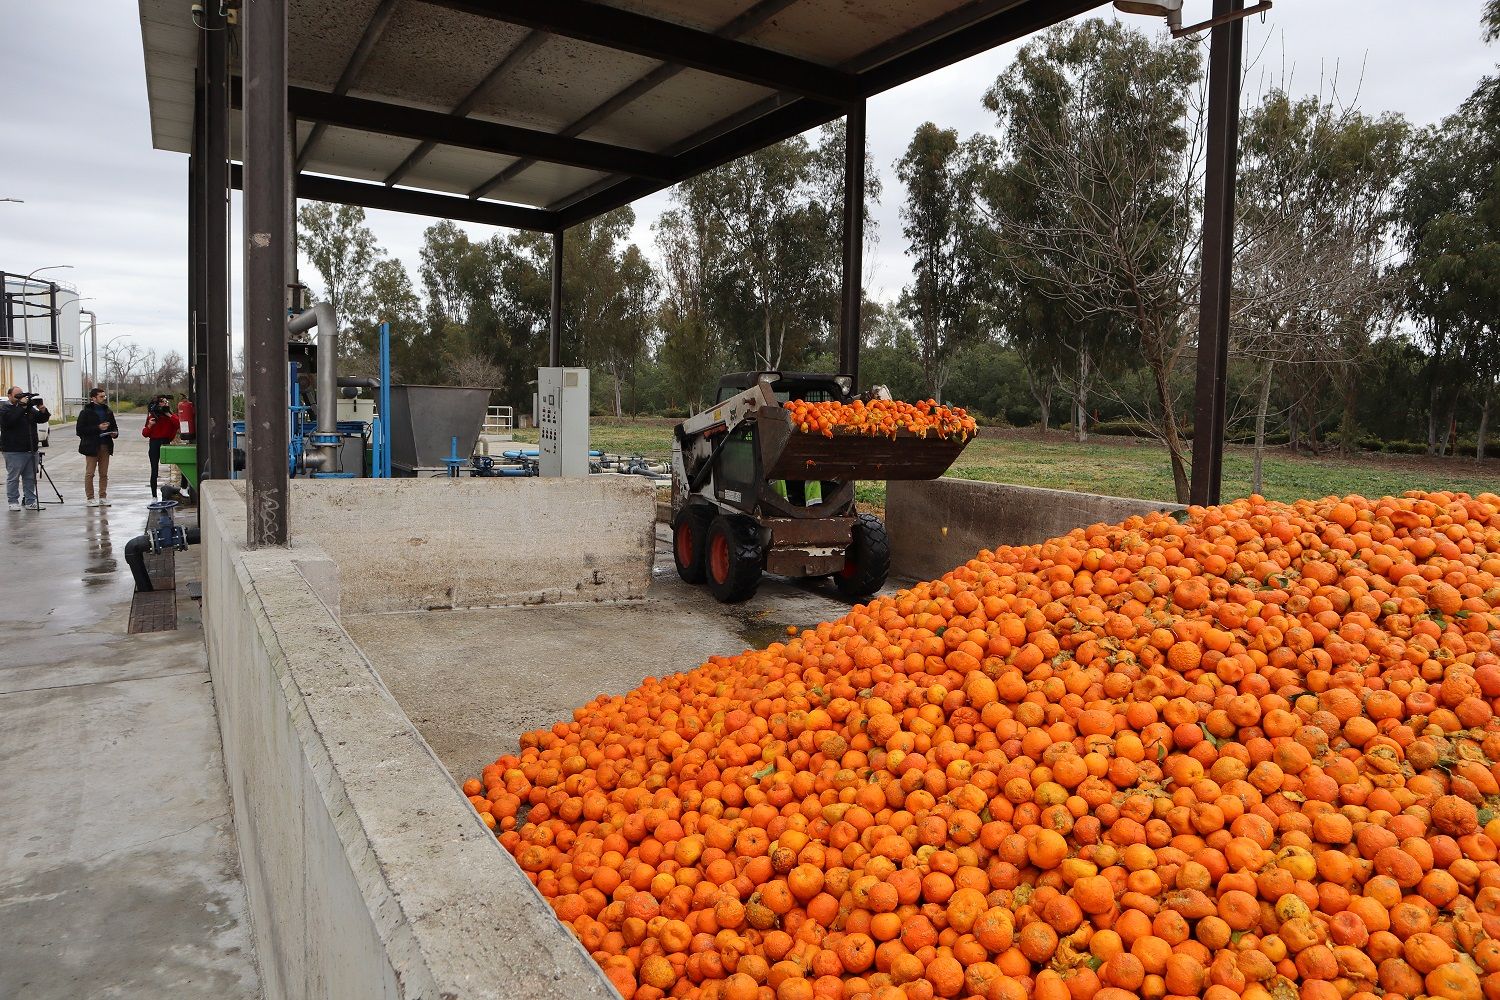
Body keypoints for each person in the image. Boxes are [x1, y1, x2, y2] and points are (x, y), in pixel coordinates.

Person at [1, 385, 50, 512]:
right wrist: (22, 407)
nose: (20, 398)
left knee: (30, 477)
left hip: (31, 448)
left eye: (21, 395)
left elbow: (41, 419)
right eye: (17, 396)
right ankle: (13, 501)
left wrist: (43, 410)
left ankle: (30, 501)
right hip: (13, 450)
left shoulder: (28, 409)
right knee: (14, 477)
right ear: (9, 396)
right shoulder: (5, 408)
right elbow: (9, 421)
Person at [76, 387, 118, 507]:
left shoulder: (108, 411)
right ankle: (90, 498)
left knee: (104, 473)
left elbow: (114, 426)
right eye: (101, 396)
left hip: (105, 444)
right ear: (93, 398)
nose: (104, 398)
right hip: (91, 446)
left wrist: (114, 433)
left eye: (104, 396)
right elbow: (80, 430)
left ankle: (103, 497)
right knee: (90, 473)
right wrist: (98, 428)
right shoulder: (85, 412)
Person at [142, 394, 180, 498]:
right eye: (163, 402)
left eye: (166, 402)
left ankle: (182, 489)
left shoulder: (170, 416)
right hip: (154, 443)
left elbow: (178, 424)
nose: (165, 404)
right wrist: (150, 425)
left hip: (166, 442)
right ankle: (154, 496)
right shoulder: (153, 416)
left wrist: (168, 414)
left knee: (180, 462)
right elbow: (145, 433)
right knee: (154, 470)